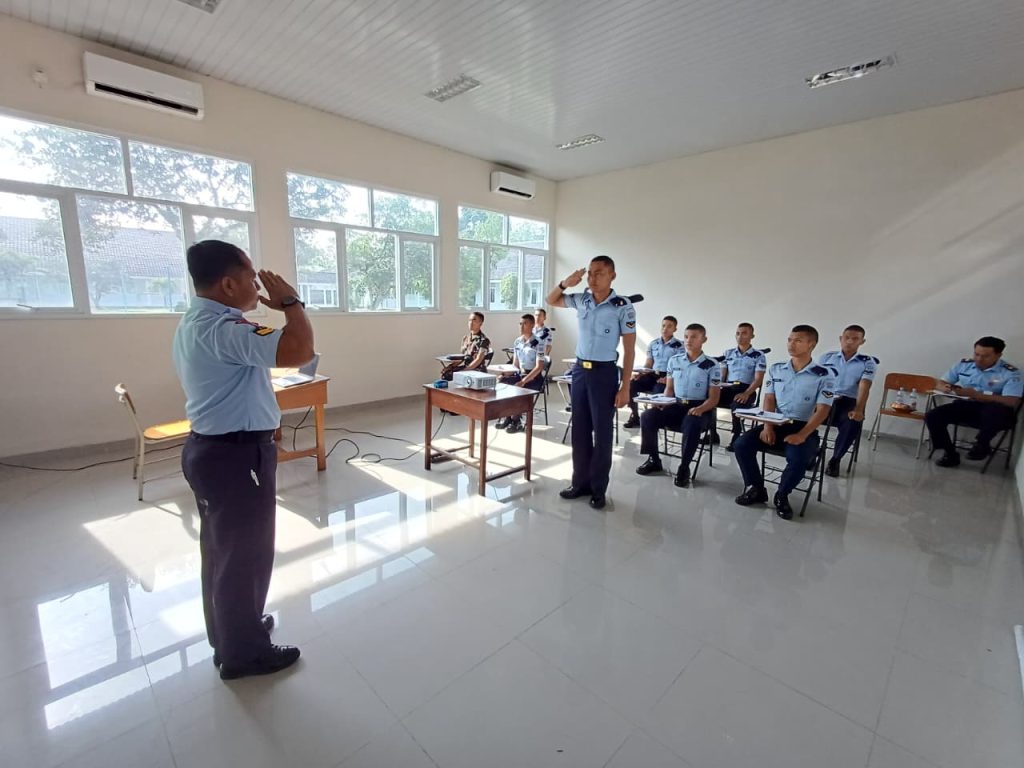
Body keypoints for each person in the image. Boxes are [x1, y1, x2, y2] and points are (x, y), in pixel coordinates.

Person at [173, 240, 314, 679]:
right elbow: (299, 351)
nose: (258, 285)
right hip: (235, 456)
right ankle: (244, 654)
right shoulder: (226, 330)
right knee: (245, 554)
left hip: (212, 451)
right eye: (251, 277)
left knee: (223, 551)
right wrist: (291, 303)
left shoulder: (196, 321)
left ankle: (233, 632)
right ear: (228, 284)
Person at [548, 255, 636, 509]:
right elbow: (551, 300)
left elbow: (630, 350)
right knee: (580, 430)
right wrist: (565, 283)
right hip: (580, 371)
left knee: (602, 432)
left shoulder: (623, 306)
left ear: (612, 276)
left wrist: (626, 387)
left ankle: (598, 489)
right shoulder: (582, 299)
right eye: (590, 273)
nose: (592, 278)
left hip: (604, 373)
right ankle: (579, 483)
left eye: (599, 273)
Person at [733, 325, 835, 520]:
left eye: (798, 341)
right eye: (789, 339)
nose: (791, 344)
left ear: (811, 345)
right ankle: (756, 488)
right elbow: (769, 399)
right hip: (776, 423)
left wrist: (802, 435)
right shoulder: (777, 369)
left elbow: (823, 410)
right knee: (741, 444)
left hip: (804, 428)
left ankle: (782, 494)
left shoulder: (824, 374)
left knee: (799, 458)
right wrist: (768, 426)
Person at [634, 323, 720, 487]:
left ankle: (684, 467)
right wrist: (663, 403)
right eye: (686, 337)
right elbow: (669, 389)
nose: (688, 340)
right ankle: (653, 459)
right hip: (677, 405)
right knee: (648, 416)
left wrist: (700, 409)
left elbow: (714, 398)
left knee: (692, 424)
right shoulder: (675, 361)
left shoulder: (712, 364)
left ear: (704, 340)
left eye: (694, 337)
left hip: (700, 408)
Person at [925, 336, 1021, 467]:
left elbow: (1011, 401)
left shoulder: (1011, 373)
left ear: (998, 355)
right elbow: (941, 383)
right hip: (967, 406)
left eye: (985, 356)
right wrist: (946, 387)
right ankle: (950, 453)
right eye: (976, 354)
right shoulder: (964, 365)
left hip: (995, 412)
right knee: (933, 415)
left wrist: (978, 395)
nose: (979, 359)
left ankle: (982, 444)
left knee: (994, 412)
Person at [818, 325, 877, 476]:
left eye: (855, 339)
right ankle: (810, 453)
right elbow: (816, 380)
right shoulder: (827, 357)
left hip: (848, 400)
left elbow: (865, 386)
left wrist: (858, 409)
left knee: (852, 422)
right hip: (825, 398)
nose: (849, 341)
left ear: (862, 341)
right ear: (841, 338)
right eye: (847, 338)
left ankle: (835, 460)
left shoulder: (867, 362)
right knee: (802, 414)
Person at [714, 322, 768, 450]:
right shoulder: (728, 353)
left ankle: (736, 435)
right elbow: (722, 376)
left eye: (744, 333)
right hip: (729, 388)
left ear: (752, 336)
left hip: (747, 389)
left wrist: (746, 393)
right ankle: (712, 433)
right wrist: (716, 387)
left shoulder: (758, 355)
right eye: (738, 333)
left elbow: (758, 380)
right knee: (710, 400)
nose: (740, 336)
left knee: (737, 404)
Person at [623, 315, 683, 429]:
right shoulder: (653, 343)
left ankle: (653, 419)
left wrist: (669, 379)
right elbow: (649, 363)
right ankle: (635, 416)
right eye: (663, 326)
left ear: (675, 329)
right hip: (652, 375)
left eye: (669, 326)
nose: (665, 329)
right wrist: (640, 374)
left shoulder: (679, 346)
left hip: (667, 377)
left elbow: (679, 366)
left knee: (658, 392)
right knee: (631, 385)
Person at [497, 314, 547, 433]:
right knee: (503, 383)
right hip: (520, 374)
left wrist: (523, 381)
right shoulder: (518, 341)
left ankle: (516, 420)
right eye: (520, 323)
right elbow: (515, 365)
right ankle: (507, 417)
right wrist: (504, 374)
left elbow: (539, 367)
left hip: (533, 377)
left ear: (532, 325)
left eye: (525, 323)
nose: (521, 326)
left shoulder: (538, 342)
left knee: (518, 389)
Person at [441, 311, 491, 381]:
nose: (471, 322)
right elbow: (463, 357)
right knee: (446, 373)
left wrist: (463, 371)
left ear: (481, 323)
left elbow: (478, 360)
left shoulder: (484, 340)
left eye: (474, 320)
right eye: (469, 320)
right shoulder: (466, 338)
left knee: (453, 375)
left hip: (477, 370)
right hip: (467, 367)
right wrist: (450, 367)